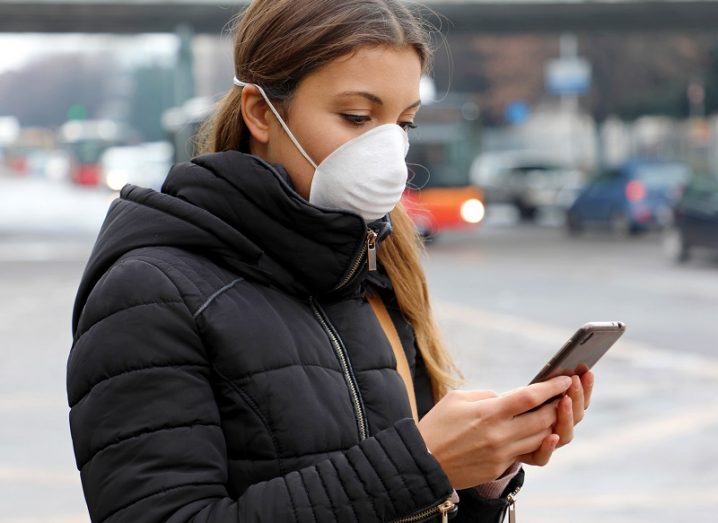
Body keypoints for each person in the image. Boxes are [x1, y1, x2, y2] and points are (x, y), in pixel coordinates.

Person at [65, 0, 594, 521]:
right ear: (260, 113)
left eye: (403, 125)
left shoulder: (375, 269)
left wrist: (480, 478)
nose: (389, 153)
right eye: (357, 117)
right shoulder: (149, 291)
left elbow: (410, 502)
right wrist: (422, 464)